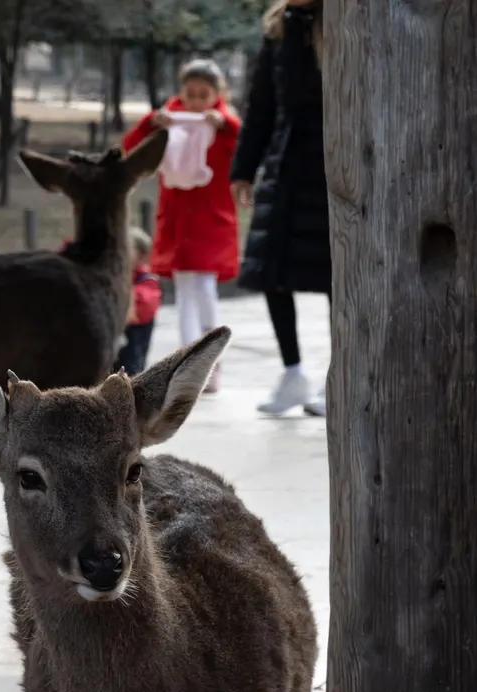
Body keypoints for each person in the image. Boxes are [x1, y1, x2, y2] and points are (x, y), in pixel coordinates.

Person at [231, 0, 330, 417]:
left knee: (338, 279)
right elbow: (261, 107)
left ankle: (337, 374)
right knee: (269, 272)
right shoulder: (278, 29)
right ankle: (293, 374)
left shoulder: (349, 21)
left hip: (336, 165)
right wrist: (244, 169)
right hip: (285, 166)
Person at [123, 59, 240, 394]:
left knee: (204, 290)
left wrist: (226, 125)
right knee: (186, 294)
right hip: (178, 222)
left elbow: (246, 148)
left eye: (204, 94)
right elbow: (130, 149)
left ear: (217, 94)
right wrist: (150, 123)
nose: (196, 101)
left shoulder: (223, 126)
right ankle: (190, 368)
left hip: (211, 223)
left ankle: (211, 363)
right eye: (190, 94)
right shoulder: (168, 123)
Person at [115, 227, 163, 376]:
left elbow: (141, 312)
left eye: (126, 248)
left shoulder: (148, 282)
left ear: (141, 255)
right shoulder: (112, 277)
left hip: (131, 357)